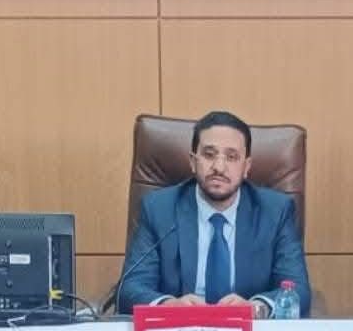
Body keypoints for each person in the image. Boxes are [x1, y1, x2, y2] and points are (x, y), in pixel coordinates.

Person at [116, 110, 311, 318]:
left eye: (232, 157)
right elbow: (130, 288)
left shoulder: (275, 211)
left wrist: (257, 308)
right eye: (209, 155)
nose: (219, 167)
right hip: (181, 330)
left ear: (246, 167)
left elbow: (298, 290)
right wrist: (169, 305)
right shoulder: (158, 209)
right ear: (193, 162)